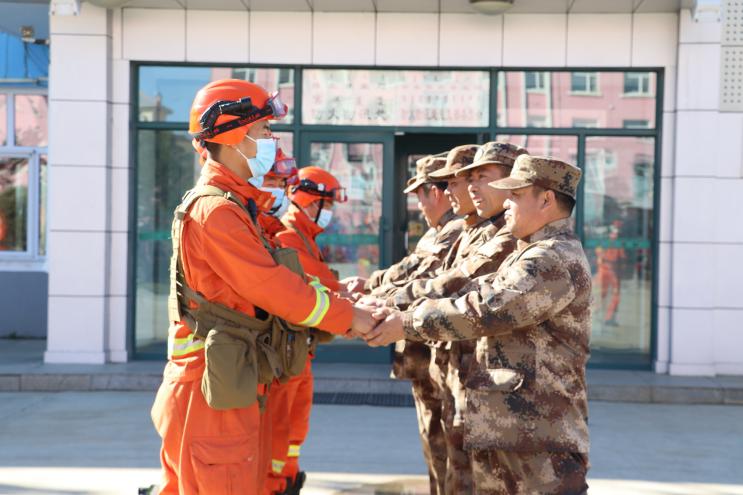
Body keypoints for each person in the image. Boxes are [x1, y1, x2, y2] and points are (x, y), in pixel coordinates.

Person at [150, 79, 377, 495]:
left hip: (226, 380)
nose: (270, 141)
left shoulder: (236, 207)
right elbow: (273, 287)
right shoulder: (216, 210)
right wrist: (354, 319)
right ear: (235, 136)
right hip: (211, 389)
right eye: (264, 132)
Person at [363, 155, 592, 494]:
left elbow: (486, 308)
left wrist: (406, 323)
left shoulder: (552, 259)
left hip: (539, 440)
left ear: (546, 199)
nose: (507, 203)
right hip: (513, 429)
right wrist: (394, 309)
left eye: (515, 194)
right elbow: (473, 291)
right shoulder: (529, 251)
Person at [379, 142, 526, 493]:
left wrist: (392, 313)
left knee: (468, 477)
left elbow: (456, 287)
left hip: (484, 382)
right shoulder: (472, 231)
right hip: (453, 370)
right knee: (448, 470)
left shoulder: (507, 236)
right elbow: (424, 278)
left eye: (478, 178)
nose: (465, 188)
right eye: (464, 179)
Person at [263, 166, 348, 494]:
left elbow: (322, 281)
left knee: (293, 429)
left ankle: (286, 479)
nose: (328, 213)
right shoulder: (289, 236)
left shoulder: (304, 237)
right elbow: (317, 287)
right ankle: (274, 484)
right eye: (326, 205)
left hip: (299, 350)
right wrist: (355, 307)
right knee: (280, 429)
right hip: (287, 354)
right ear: (309, 200)